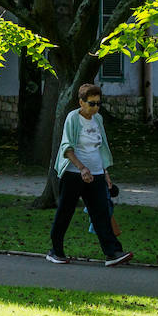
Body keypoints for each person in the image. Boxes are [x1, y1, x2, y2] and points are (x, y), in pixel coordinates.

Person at [47, 84, 133, 266]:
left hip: (96, 174)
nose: (95, 107)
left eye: (98, 103)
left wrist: (105, 172)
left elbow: (100, 148)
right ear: (81, 102)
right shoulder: (73, 118)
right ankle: (55, 251)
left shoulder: (98, 119)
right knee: (65, 211)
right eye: (91, 103)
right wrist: (81, 168)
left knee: (101, 212)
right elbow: (67, 147)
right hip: (74, 174)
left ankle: (112, 253)